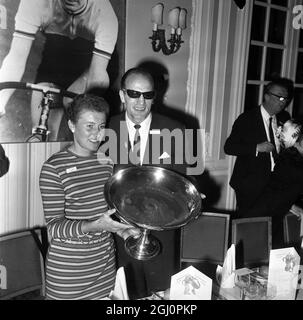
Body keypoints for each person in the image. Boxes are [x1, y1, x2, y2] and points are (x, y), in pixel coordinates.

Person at [39, 94, 140, 300]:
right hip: (69, 275)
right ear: (72, 125)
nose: (97, 134)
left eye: (101, 126)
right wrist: (94, 226)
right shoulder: (53, 168)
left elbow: (107, 216)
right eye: (89, 126)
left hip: (104, 268)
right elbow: (54, 227)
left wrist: (125, 232)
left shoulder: (107, 162)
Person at [105, 67, 191, 299]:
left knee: (161, 294)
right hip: (118, 230)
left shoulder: (176, 130)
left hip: (160, 230)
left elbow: (182, 180)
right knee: (125, 293)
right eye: (134, 94)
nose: (141, 102)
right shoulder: (105, 128)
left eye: (148, 95)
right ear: (123, 95)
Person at [0, 0, 118, 141]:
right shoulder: (35, 2)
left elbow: (97, 73)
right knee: (40, 134)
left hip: (91, 65)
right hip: (53, 60)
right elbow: (17, 56)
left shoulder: (104, 13)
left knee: (72, 108)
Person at [224, 78, 293, 215]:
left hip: (275, 183)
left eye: (285, 98)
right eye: (279, 97)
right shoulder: (247, 119)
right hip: (250, 183)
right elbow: (229, 147)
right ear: (266, 96)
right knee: (251, 224)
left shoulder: (284, 117)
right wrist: (256, 147)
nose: (283, 101)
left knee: (272, 223)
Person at [244, 119, 303, 248]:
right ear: (298, 141)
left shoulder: (293, 160)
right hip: (262, 219)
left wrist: (291, 205)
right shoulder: (291, 162)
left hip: (272, 217)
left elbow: (283, 190)